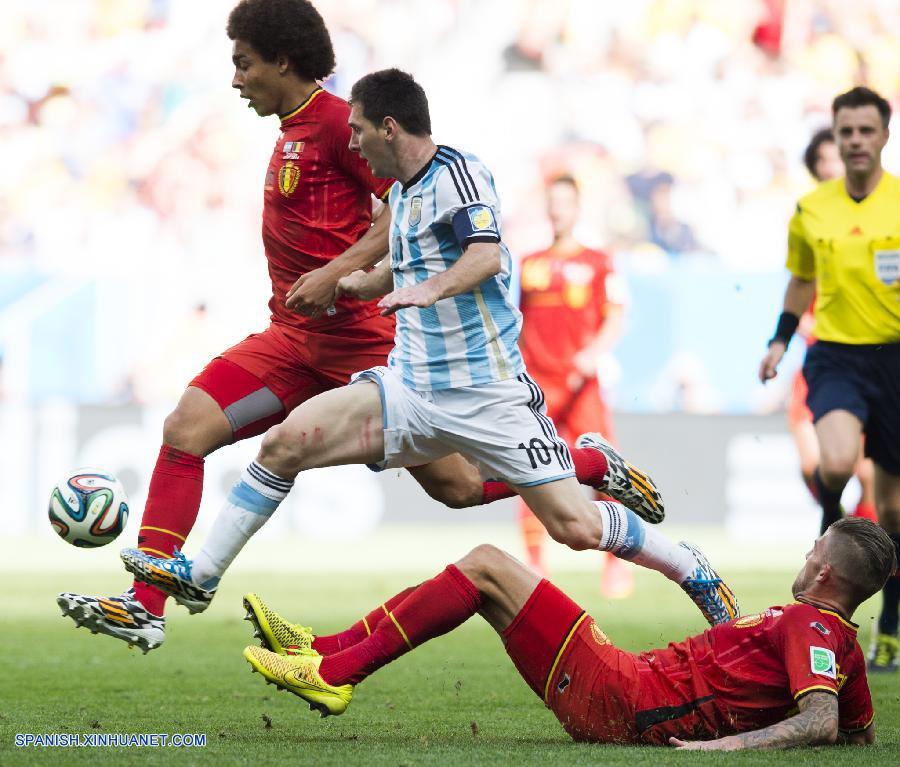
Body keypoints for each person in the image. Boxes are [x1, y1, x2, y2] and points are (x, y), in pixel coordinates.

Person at [55, 0, 626, 654]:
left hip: (367, 351)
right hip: (291, 343)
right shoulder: (292, 129)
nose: (235, 79)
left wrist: (338, 270)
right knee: (184, 429)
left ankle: (585, 460)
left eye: (244, 64)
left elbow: (401, 213)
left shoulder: (336, 125)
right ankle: (144, 607)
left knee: (460, 487)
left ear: (282, 61)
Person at [119, 68, 736, 636]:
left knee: (576, 528)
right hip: (409, 388)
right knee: (286, 444)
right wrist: (361, 283)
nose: (354, 144)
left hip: (487, 393)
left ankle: (688, 567)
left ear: (390, 128)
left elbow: (485, 255)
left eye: (359, 131)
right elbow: (410, 263)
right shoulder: (404, 195)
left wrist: (427, 289)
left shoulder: (457, 174)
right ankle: (198, 575)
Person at [241, 517, 894, 750]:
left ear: (824, 569)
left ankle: (334, 672)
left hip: (624, 697)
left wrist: (728, 748)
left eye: (815, 548)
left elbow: (822, 722)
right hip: (628, 685)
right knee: (485, 572)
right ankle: (322, 651)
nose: (806, 552)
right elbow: (860, 734)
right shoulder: (835, 641)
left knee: (488, 564)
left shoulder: (811, 624)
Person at [759, 86, 900, 673]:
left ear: (884, 136)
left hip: (895, 360)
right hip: (837, 355)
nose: (857, 141)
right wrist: (779, 340)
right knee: (836, 463)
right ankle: (828, 552)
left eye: (867, 131)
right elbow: (800, 279)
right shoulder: (812, 208)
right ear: (836, 137)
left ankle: (890, 625)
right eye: (847, 132)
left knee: (892, 514)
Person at [517, 174, 631, 596]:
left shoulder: (600, 262)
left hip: (582, 383)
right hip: (539, 385)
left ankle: (617, 563)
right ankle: (534, 565)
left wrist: (591, 355)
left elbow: (616, 316)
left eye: (565, 202)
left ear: (577, 208)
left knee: (605, 471)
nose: (558, 209)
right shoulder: (529, 263)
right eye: (553, 202)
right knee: (528, 469)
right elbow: (520, 322)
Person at [787, 129, 876, 527]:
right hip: (821, 361)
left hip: (871, 361)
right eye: (821, 161)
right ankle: (839, 524)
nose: (829, 168)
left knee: (872, 477)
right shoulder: (808, 218)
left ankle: (863, 545)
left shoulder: (880, 216)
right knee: (814, 466)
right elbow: (798, 287)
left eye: (834, 159)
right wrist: (796, 329)